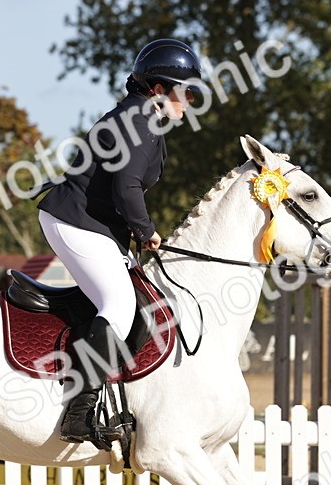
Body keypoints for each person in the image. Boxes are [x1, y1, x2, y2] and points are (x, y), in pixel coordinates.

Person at [38, 38, 206, 442]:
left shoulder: (140, 119)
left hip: (91, 224)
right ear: (160, 89)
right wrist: (146, 231)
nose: (190, 102)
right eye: (186, 93)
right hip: (74, 221)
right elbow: (128, 187)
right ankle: (78, 412)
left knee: (131, 296)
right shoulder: (140, 120)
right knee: (119, 303)